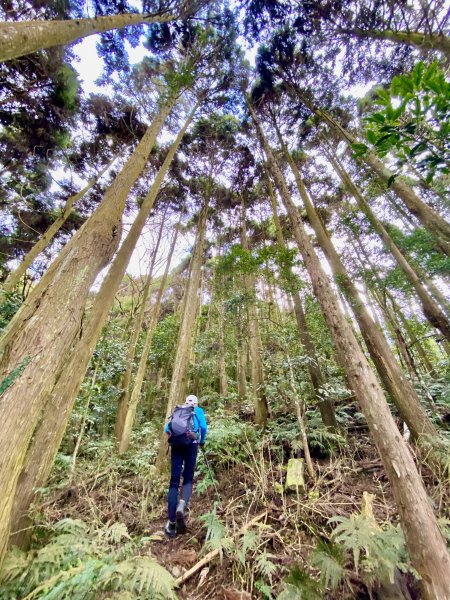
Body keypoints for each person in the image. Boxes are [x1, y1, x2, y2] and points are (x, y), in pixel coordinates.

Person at [164, 394, 207, 538]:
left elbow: (166, 429)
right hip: (191, 446)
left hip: (176, 445)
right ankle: (182, 504)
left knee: (174, 483)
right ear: (196, 403)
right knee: (188, 478)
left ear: (186, 402)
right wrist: (202, 441)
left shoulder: (178, 410)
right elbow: (203, 427)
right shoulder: (198, 411)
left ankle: (171, 524)